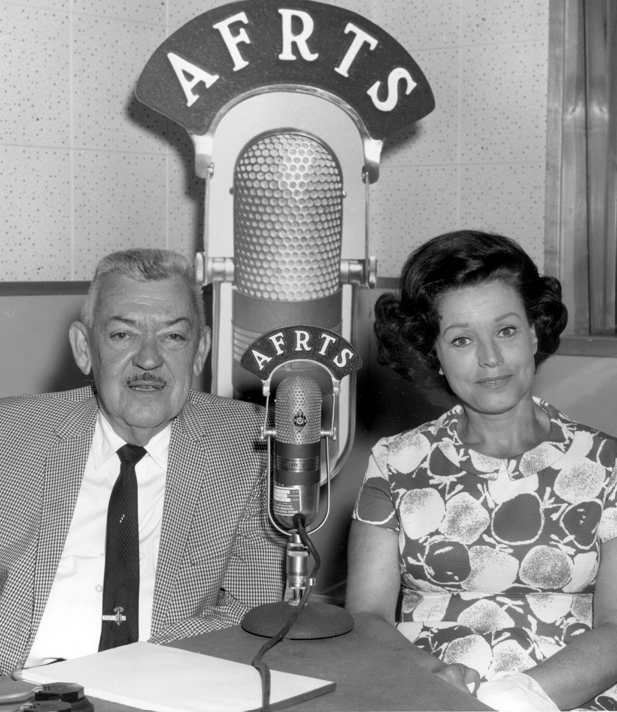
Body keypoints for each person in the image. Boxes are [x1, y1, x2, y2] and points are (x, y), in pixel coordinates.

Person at [346, 230, 617, 710]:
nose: (490, 358)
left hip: (569, 699)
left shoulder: (608, 465)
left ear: (535, 331)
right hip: (429, 694)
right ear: (435, 353)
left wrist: (513, 698)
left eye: (506, 331)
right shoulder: (394, 463)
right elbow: (366, 617)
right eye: (463, 339)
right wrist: (435, 680)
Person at [0, 248, 285, 674]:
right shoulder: (13, 435)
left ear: (201, 349)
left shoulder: (253, 447)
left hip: (166, 687)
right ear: (84, 348)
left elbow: (252, 615)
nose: (149, 359)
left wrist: (117, 675)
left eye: (173, 336)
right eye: (122, 335)